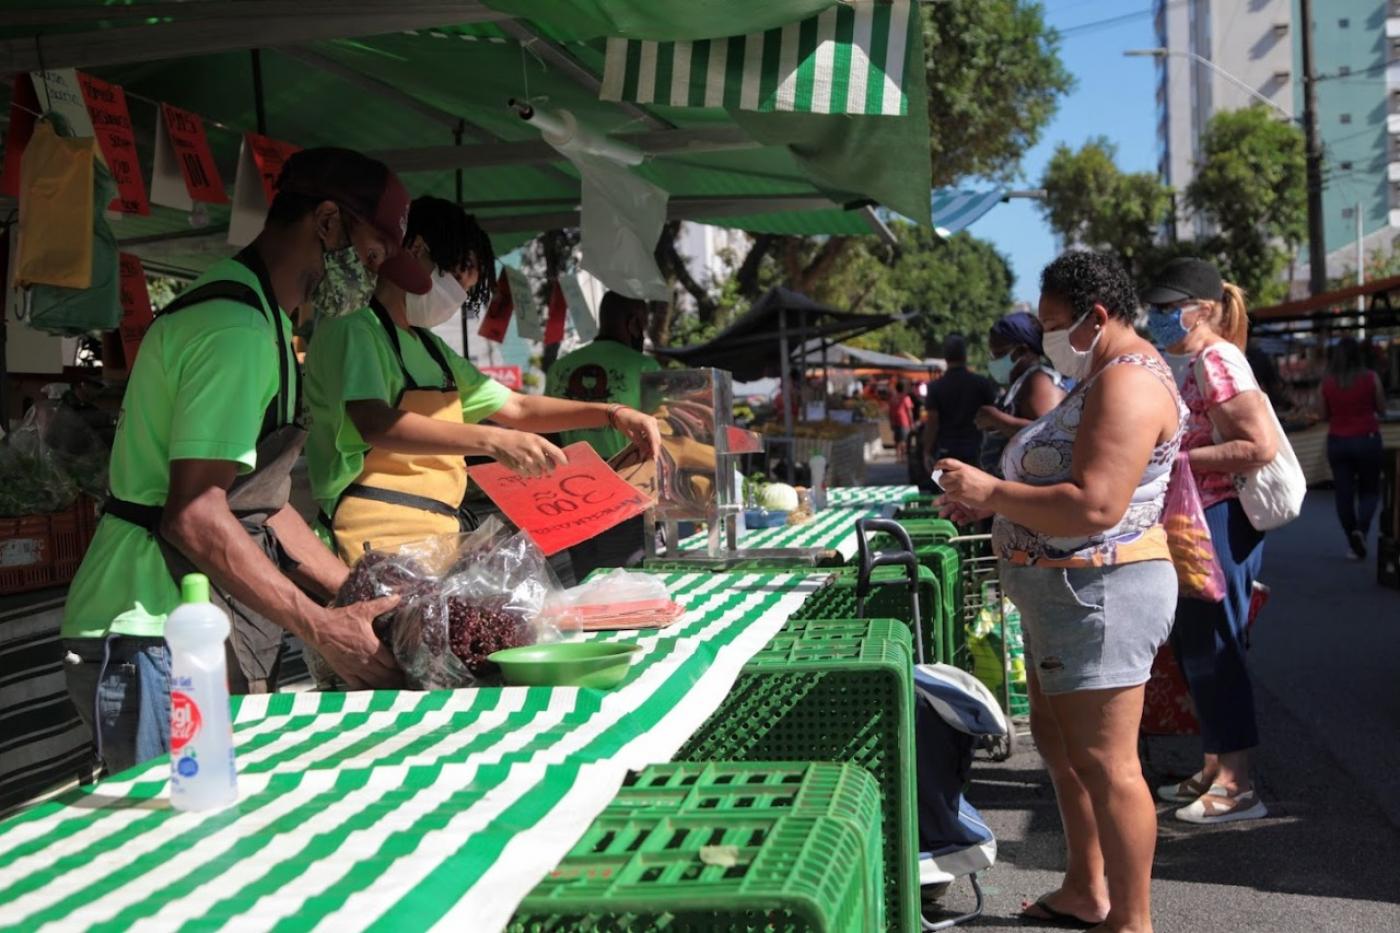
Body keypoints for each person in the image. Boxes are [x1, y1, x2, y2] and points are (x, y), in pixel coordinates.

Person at [62, 148, 420, 773]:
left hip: (188, 623)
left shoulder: (270, 325)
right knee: (171, 845)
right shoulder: (237, 331)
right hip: (150, 628)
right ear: (328, 224)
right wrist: (321, 628)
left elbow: (261, 503)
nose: (371, 279)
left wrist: (370, 597)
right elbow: (197, 517)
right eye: (369, 258)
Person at [938, 251, 1185, 932]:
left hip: (1102, 592)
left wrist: (993, 492)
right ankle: (1086, 886)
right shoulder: (1102, 372)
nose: (1046, 338)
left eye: (1052, 325)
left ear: (1096, 317)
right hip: (1066, 593)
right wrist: (996, 504)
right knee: (1062, 742)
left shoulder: (1128, 384)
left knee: (1109, 764)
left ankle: (1132, 919)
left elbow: (1097, 504)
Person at [305, 197, 660, 565]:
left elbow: (518, 407)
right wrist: (491, 439)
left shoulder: (432, 348)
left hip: (435, 538)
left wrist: (613, 414)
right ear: (416, 248)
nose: (456, 298)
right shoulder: (354, 327)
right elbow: (375, 423)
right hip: (367, 540)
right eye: (456, 279)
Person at [1143, 257, 1277, 825]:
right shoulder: (1197, 359)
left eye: (1167, 309)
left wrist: (1177, 459)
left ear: (1201, 310)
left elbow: (1258, 445)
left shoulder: (1218, 359)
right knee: (1199, 648)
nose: (1156, 318)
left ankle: (1239, 785)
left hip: (1221, 516)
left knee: (1218, 649)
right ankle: (1215, 765)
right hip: (1204, 516)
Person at [546, 291, 663, 578]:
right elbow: (662, 435)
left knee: (588, 581)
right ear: (634, 321)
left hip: (571, 489)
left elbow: (547, 435)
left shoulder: (560, 367)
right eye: (643, 322)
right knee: (630, 579)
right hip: (628, 488)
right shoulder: (644, 366)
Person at [975, 311, 1067, 474]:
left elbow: (1049, 437)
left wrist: (997, 419)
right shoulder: (1021, 384)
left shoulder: (1038, 381)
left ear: (1021, 351)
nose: (993, 361)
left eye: (997, 354)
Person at [1320, 335, 1386, 559]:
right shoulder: (1371, 377)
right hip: (1367, 439)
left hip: (1338, 441)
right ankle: (1362, 529)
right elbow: (1382, 408)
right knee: (1370, 490)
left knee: (1344, 493)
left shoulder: (1327, 382)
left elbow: (1322, 414)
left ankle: (1352, 538)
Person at [922, 334, 996, 476]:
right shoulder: (981, 383)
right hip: (977, 450)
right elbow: (993, 417)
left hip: (946, 451)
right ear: (965, 356)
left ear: (946, 357)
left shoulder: (936, 387)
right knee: (977, 494)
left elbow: (932, 422)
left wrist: (926, 451)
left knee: (948, 494)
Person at [888, 379, 914, 462]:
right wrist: (911, 422)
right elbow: (909, 412)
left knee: (897, 440)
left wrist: (891, 422)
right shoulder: (906, 398)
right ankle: (903, 457)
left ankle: (898, 457)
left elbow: (890, 411)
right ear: (904, 388)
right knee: (904, 440)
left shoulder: (893, 398)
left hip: (895, 421)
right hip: (904, 421)